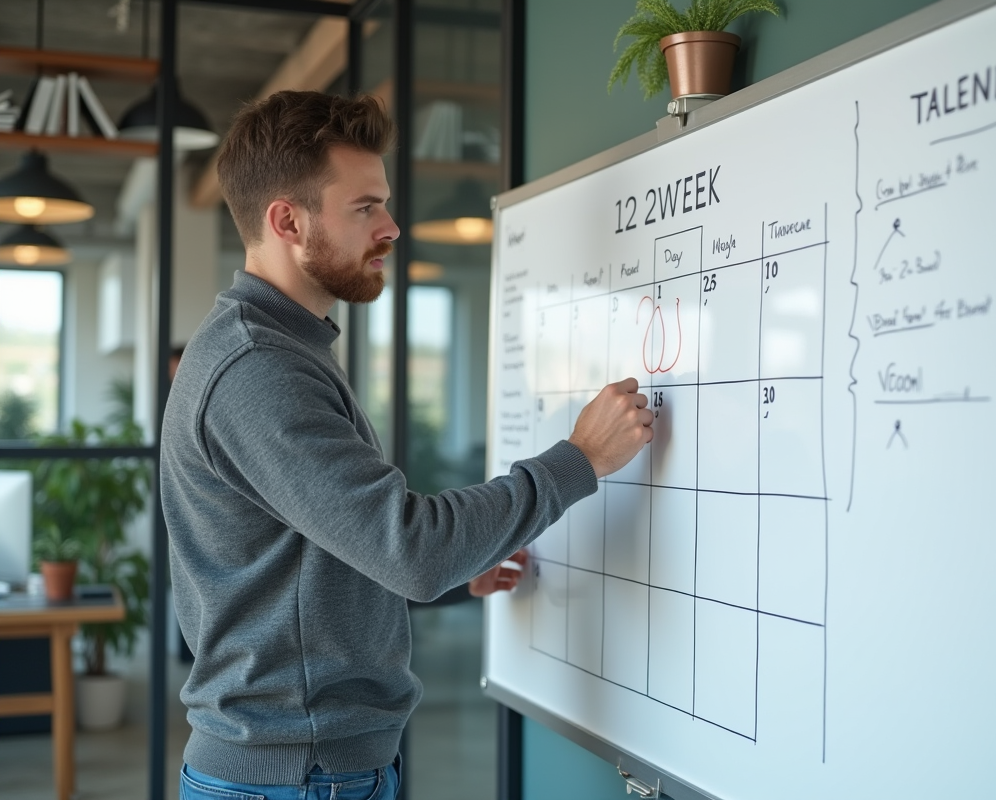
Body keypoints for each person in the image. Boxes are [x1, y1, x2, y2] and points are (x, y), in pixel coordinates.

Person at [160, 90, 652, 800]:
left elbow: (320, 551)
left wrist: (460, 569)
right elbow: (410, 549)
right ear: (287, 221)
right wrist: (581, 458)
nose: (392, 226)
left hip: (307, 769)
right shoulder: (258, 370)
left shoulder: (281, 349)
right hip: (301, 776)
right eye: (364, 207)